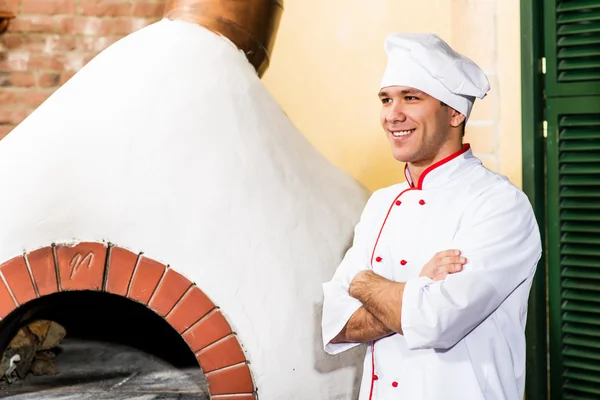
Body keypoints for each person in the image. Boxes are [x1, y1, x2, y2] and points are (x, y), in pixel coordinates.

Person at [321, 33, 542, 400]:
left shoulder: (500, 205)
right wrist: (417, 287)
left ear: (455, 112)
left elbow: (437, 322)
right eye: (386, 99)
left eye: (411, 97)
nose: (393, 114)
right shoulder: (380, 203)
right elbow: (338, 324)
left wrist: (364, 284)